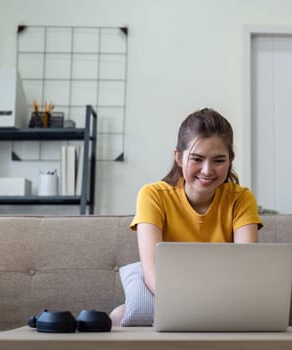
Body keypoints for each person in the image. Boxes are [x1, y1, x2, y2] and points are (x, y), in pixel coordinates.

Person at [109, 107, 263, 325]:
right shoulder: (153, 195)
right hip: (165, 296)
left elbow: (246, 270)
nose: (207, 170)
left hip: (224, 300)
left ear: (231, 160)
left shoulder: (241, 199)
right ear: (178, 157)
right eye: (197, 159)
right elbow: (152, 271)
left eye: (219, 160)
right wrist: (192, 307)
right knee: (118, 316)